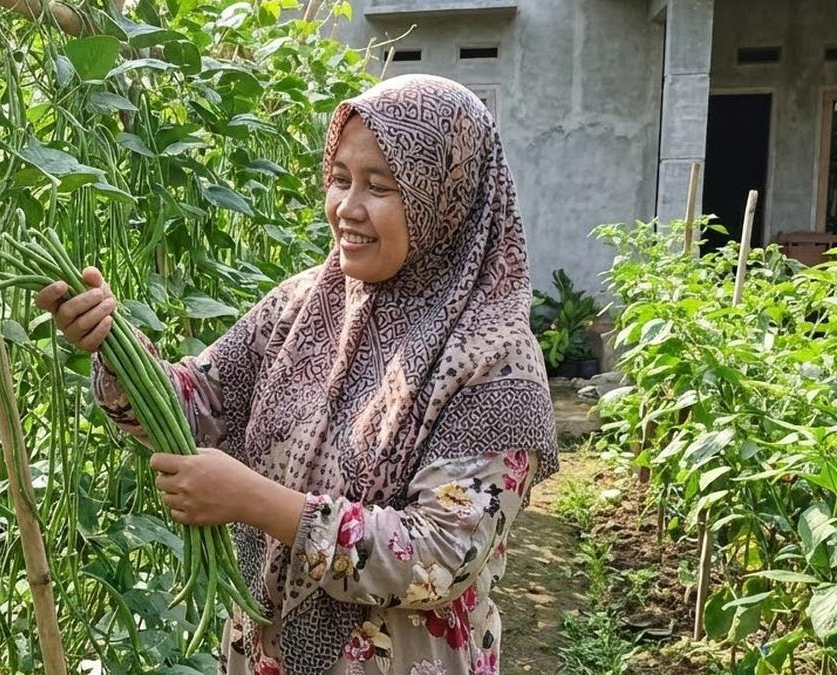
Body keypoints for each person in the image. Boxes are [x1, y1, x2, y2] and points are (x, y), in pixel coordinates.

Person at [35, 74, 557, 675]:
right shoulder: (303, 304)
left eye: (380, 186)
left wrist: (254, 500)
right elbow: (197, 403)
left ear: (448, 199)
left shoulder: (495, 358)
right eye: (339, 179)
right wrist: (113, 342)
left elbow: (439, 556)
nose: (347, 208)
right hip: (265, 648)